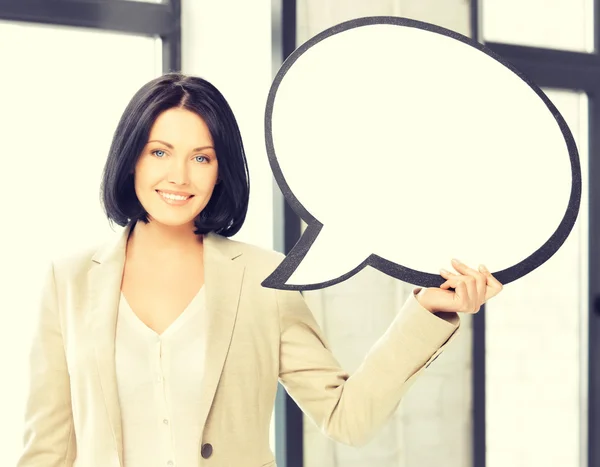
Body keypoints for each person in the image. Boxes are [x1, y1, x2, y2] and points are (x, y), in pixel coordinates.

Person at [16, 73, 503, 467]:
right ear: (131, 160)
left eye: (201, 157)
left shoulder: (264, 279)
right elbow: (48, 450)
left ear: (221, 169)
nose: (179, 176)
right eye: (159, 151)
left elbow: (346, 417)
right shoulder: (69, 280)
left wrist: (425, 311)